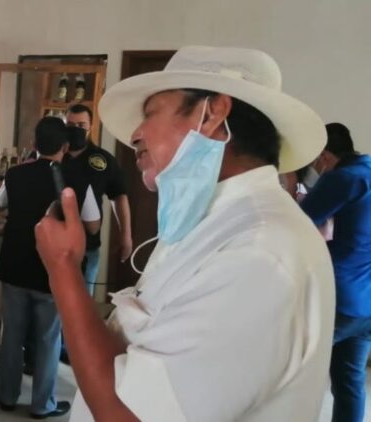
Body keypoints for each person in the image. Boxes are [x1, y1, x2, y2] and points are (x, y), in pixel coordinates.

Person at [34, 46, 335, 421]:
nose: (135, 134)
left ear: (212, 114)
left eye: (150, 114)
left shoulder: (260, 252)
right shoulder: (210, 223)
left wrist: (63, 268)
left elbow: (128, 415)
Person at [0, 117, 99, 419]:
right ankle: (43, 404)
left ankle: (6, 396)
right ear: (65, 146)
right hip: (52, 269)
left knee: (12, 334)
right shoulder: (78, 178)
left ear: (34, 144)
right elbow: (92, 225)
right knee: (48, 338)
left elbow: (1, 203)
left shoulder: (15, 174)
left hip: (14, 264)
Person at [300, 123, 371, 422]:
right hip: (366, 303)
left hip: (339, 299)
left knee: (294, 373)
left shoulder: (343, 178)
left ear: (325, 156)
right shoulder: (366, 171)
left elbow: (300, 222)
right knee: (350, 381)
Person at [63, 103, 132, 296]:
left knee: (83, 303)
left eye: (81, 125)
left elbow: (119, 196)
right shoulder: (55, 157)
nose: (75, 130)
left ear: (90, 127)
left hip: (88, 247)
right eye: (70, 124)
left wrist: (126, 235)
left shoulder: (103, 160)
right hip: (56, 245)